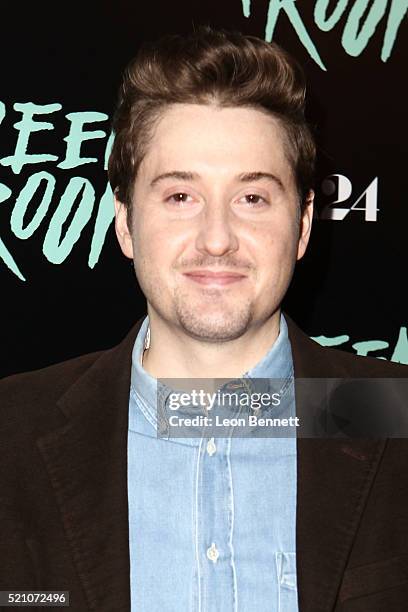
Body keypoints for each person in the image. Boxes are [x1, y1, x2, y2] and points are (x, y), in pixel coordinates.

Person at [1, 26, 407, 612]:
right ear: (123, 222)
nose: (217, 240)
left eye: (253, 198)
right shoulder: (12, 433)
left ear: (304, 225)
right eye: (180, 197)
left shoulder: (393, 420)